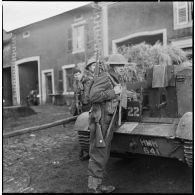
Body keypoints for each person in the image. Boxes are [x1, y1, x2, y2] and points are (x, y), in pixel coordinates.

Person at [87, 53, 135, 193]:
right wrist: (113, 92)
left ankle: (97, 185)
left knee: (103, 154)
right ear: (113, 66)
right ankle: (93, 188)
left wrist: (127, 94)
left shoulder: (114, 78)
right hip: (101, 122)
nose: (122, 68)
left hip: (107, 122)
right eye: (119, 65)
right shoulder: (105, 77)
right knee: (98, 154)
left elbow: (115, 95)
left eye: (123, 65)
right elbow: (93, 96)